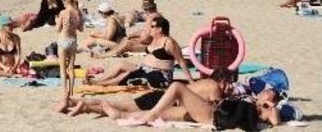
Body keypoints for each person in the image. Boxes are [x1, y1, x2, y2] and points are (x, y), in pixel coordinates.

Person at [105, 80, 281, 129]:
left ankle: (149, 115)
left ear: (271, 100)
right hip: (212, 112)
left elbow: (276, 123)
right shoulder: (249, 99)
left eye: (268, 93)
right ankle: (120, 115)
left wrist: (270, 107)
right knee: (165, 113)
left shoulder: (265, 110)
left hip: (213, 116)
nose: (264, 92)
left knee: (177, 87)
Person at [66, 68, 232, 117]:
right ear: (223, 81)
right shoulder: (214, 88)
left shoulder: (203, 82)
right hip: (165, 102)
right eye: (228, 83)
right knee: (122, 108)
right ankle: (83, 106)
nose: (228, 87)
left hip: (160, 95)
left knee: (122, 106)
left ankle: (77, 104)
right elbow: (216, 110)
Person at [87, 16, 193, 88]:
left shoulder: (169, 42)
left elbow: (181, 61)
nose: (149, 29)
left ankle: (99, 83)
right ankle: (101, 79)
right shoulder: (154, 40)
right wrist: (128, 44)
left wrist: (191, 81)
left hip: (160, 75)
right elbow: (141, 45)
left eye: (152, 27)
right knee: (121, 65)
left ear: (159, 29)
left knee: (128, 74)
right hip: (145, 70)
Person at [93, 0, 161, 59]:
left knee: (127, 43)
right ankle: (114, 50)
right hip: (153, 42)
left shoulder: (151, 19)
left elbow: (145, 38)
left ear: (146, 9)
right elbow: (146, 31)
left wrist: (138, 40)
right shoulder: (158, 16)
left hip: (152, 44)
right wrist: (131, 36)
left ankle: (104, 55)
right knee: (127, 40)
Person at [54, 0, 84, 112]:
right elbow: (81, 29)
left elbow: (57, 29)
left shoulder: (63, 12)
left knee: (62, 69)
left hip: (63, 40)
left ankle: (64, 92)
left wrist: (57, 20)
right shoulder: (78, 13)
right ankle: (71, 92)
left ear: (64, 0)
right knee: (71, 68)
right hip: (73, 41)